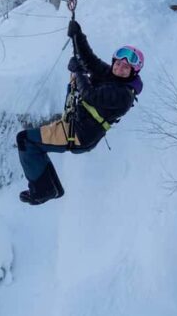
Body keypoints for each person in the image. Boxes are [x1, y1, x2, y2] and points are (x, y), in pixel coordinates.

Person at [15, 20, 144, 205]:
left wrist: (78, 73)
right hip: (74, 125)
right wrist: (78, 36)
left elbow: (91, 95)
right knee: (32, 143)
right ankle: (51, 188)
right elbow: (90, 59)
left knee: (25, 140)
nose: (119, 68)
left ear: (133, 72)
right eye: (118, 64)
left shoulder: (123, 95)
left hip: (80, 134)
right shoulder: (111, 75)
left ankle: (43, 191)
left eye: (126, 68)